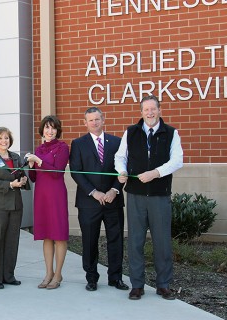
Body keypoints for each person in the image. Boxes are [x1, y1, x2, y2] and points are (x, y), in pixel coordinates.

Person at [115, 95, 183, 300]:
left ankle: (163, 285)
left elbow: (177, 160)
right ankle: (137, 285)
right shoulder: (131, 132)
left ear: (159, 110)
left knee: (162, 242)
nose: (150, 113)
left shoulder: (171, 133)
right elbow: (120, 157)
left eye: (153, 109)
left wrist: (155, 173)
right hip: (135, 196)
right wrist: (121, 171)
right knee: (135, 241)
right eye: (146, 109)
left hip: (159, 196)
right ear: (141, 112)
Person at [69, 107, 128, 292]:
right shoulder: (78, 143)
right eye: (90, 120)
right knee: (89, 241)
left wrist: (114, 190)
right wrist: (94, 192)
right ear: (85, 123)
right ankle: (92, 278)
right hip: (89, 202)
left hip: (113, 201)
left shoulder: (117, 142)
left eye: (97, 119)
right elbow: (76, 171)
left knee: (116, 240)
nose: (94, 123)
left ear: (103, 120)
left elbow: (124, 169)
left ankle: (115, 278)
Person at [0, 127, 30, 289]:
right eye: (0, 138)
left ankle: (8, 275)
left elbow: (22, 175)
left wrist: (22, 180)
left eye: (6, 138)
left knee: (12, 241)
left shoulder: (15, 157)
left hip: (15, 204)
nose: (4, 141)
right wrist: (10, 184)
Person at [27, 115, 69, 290]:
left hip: (56, 194)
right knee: (47, 235)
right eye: (46, 128)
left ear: (57, 130)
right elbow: (34, 177)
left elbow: (57, 172)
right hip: (42, 196)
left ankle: (58, 274)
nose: (49, 131)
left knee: (58, 234)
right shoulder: (39, 149)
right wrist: (31, 166)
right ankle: (48, 273)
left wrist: (39, 161)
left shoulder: (63, 147)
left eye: (53, 128)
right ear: (42, 130)